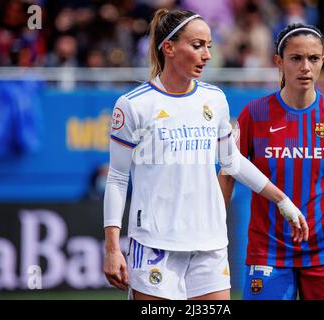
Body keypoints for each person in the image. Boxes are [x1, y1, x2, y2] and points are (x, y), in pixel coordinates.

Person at [102, 9, 308, 301]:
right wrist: (112, 247)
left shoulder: (214, 99)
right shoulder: (134, 105)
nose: (207, 55)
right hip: (154, 245)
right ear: (169, 48)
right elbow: (117, 178)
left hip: (209, 243)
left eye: (208, 46)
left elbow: (232, 161)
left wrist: (284, 201)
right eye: (197, 45)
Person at [218, 23, 324, 300]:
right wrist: (214, 229)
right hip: (269, 250)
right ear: (278, 62)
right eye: (296, 58)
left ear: (323, 61)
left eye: (313, 58)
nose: (305, 67)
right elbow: (229, 172)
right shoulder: (255, 113)